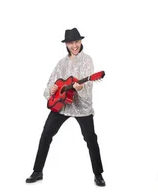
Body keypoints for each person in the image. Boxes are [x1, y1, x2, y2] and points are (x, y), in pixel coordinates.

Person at [25, 28, 106, 187]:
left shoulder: (87, 60)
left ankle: (98, 174)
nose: (74, 45)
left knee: (91, 139)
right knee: (46, 134)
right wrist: (52, 90)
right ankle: (37, 171)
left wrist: (80, 88)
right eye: (71, 43)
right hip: (62, 105)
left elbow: (88, 85)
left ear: (81, 42)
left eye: (77, 42)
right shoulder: (61, 63)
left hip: (82, 107)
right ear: (66, 44)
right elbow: (50, 83)